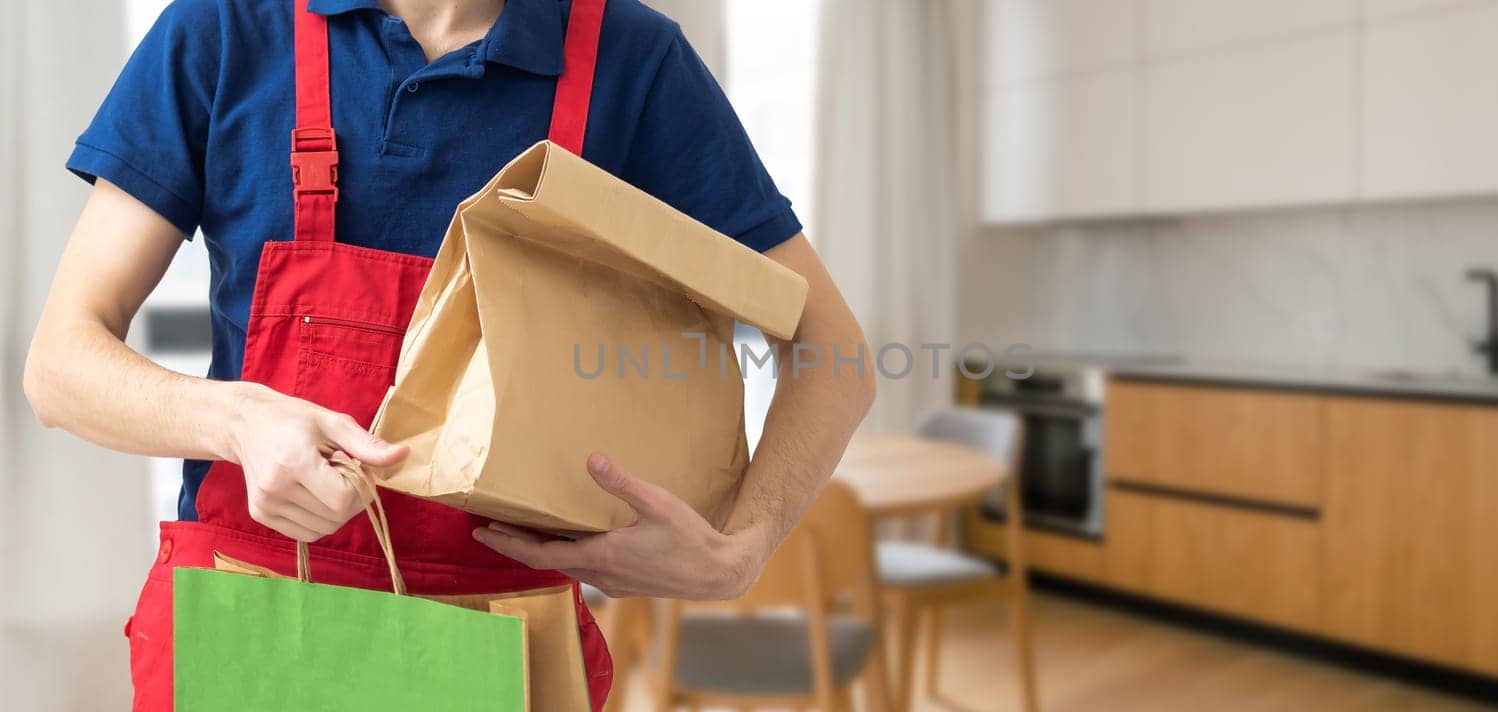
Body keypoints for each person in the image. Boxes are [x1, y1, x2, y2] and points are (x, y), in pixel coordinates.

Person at [22, 0, 875, 709]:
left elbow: (832, 352)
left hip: (503, 646)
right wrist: (237, 419)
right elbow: (61, 361)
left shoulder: (631, 61)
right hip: (243, 619)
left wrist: (743, 549)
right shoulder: (224, 30)